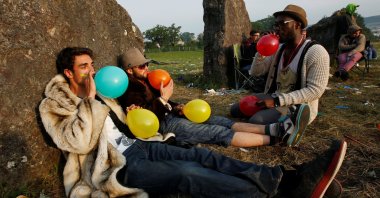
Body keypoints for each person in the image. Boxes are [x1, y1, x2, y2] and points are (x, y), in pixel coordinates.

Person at [39, 46, 346, 198]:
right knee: (187, 172)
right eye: (83, 67)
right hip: (115, 165)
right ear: (68, 73)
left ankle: (284, 178)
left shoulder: (105, 95)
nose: (91, 72)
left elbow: (128, 120)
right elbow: (75, 142)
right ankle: (276, 194)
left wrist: (132, 108)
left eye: (92, 65)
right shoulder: (54, 104)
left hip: (141, 145)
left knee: (201, 153)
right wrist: (88, 102)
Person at [118, 48, 309, 148]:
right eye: (141, 66)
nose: (147, 68)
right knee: (216, 133)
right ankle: (277, 139)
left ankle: (275, 128)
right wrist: (165, 99)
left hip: (172, 115)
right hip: (165, 124)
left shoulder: (148, 80)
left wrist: (177, 106)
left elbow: (163, 103)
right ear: (129, 70)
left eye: (146, 64)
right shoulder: (129, 88)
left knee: (220, 120)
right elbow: (148, 118)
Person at [230, 5, 330, 133]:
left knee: (256, 121)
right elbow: (256, 72)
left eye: (283, 23)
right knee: (236, 109)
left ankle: (292, 125)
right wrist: (261, 51)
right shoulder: (279, 49)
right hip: (275, 96)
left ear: (297, 25)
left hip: (297, 105)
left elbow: (315, 90)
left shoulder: (316, 52)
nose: (277, 29)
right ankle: (273, 118)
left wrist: (277, 101)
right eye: (276, 24)